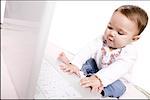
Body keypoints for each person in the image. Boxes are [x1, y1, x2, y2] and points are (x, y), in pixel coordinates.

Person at [57, 5, 148, 98]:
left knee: (120, 87)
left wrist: (99, 79)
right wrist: (75, 63)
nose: (112, 33)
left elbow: (117, 69)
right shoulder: (102, 40)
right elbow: (87, 50)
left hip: (115, 79)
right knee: (90, 61)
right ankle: (75, 68)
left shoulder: (129, 53)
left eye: (120, 33)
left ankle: (101, 90)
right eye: (110, 27)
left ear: (134, 39)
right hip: (98, 69)